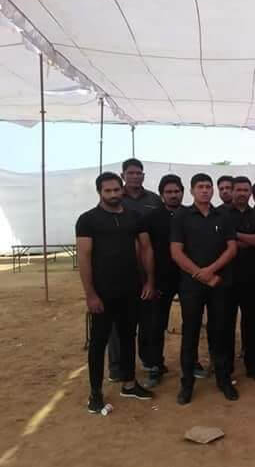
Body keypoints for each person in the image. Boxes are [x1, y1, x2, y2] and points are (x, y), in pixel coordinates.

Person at [77, 172, 155, 413]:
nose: (113, 194)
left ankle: (129, 384)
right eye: (107, 190)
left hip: (130, 289)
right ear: (99, 192)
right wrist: (91, 294)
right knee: (99, 342)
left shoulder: (135, 217)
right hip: (103, 292)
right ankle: (95, 394)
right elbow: (84, 257)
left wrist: (149, 281)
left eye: (116, 190)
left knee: (128, 336)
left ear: (122, 189)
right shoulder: (88, 220)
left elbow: (146, 248)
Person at [170, 173, 238, 404]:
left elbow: (231, 248)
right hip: (191, 286)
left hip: (219, 283)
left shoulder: (223, 215)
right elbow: (176, 252)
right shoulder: (181, 216)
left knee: (220, 332)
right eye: (200, 186)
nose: (205, 190)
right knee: (190, 333)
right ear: (192, 190)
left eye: (208, 186)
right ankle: (187, 384)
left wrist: (211, 271)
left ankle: (223, 379)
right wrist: (200, 274)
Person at [106, 158, 162, 382]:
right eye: (131, 173)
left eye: (139, 173)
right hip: (120, 270)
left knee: (148, 320)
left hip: (148, 268)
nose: (135, 176)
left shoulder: (154, 200)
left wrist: (152, 276)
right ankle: (117, 367)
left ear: (143, 176)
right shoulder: (115, 199)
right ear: (123, 175)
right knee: (118, 323)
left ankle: (149, 360)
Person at [139, 174, 184, 388]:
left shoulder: (190, 214)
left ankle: (191, 362)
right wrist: (149, 280)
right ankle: (155, 365)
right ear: (161, 194)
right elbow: (145, 250)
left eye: (176, 191)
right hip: (160, 279)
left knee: (191, 321)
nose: (173, 195)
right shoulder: (150, 218)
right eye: (169, 192)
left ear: (183, 192)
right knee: (156, 324)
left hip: (187, 278)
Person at [226, 176, 255, 382]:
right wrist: (247, 240)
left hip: (253, 277)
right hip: (227, 278)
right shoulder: (221, 214)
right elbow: (221, 243)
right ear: (232, 191)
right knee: (225, 323)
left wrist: (234, 236)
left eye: (246, 190)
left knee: (251, 322)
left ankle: (253, 365)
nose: (242, 193)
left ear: (250, 193)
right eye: (239, 190)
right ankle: (225, 367)